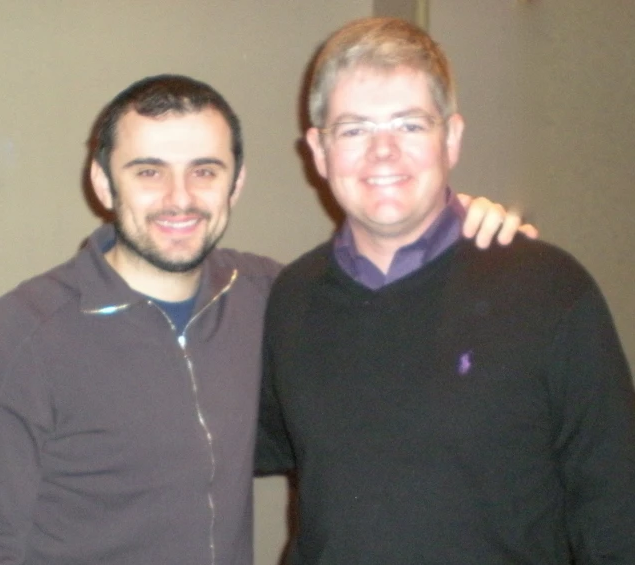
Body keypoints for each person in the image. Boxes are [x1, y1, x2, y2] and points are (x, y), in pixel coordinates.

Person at [0, 74, 529, 565]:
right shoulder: (27, 333)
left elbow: (387, 317)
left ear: (236, 183)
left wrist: (458, 227)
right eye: (148, 171)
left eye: (205, 170)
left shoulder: (276, 296)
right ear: (102, 182)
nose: (179, 197)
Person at [256, 17, 635, 565]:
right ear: (319, 151)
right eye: (355, 129)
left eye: (410, 125)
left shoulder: (549, 288)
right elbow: (235, 437)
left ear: (451, 138)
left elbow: (618, 513)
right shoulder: (290, 298)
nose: (382, 152)